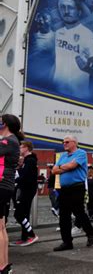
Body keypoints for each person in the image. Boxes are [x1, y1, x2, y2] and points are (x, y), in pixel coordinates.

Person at [53, 0, 93, 100]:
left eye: (70, 7)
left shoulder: (88, 35)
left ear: (79, 12)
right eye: (62, 7)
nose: (66, 11)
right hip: (54, 93)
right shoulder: (57, 33)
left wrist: (86, 67)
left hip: (78, 98)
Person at [51, 135, 93, 251]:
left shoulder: (81, 153)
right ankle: (67, 242)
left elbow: (72, 166)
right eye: (63, 142)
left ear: (74, 143)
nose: (64, 144)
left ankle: (90, 232)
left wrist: (62, 167)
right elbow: (53, 170)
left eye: (67, 142)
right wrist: (64, 167)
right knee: (64, 216)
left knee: (79, 212)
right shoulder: (62, 156)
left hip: (77, 187)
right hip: (64, 189)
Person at [0, 114, 23, 274]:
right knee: (1, 227)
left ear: (5, 124)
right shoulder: (13, 141)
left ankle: (3, 266)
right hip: (4, 186)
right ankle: (4, 265)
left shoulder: (9, 141)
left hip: (1, 186)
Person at [11, 141, 39, 246]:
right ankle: (25, 237)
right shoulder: (28, 160)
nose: (19, 149)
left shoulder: (30, 160)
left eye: (21, 147)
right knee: (24, 214)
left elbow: (25, 177)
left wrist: (16, 180)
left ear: (26, 148)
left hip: (27, 190)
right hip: (26, 189)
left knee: (18, 214)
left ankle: (31, 235)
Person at [27, 9, 56, 86]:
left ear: (51, 21)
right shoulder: (33, 36)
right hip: (30, 77)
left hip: (45, 79)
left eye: (45, 18)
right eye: (40, 19)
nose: (42, 21)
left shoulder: (56, 37)